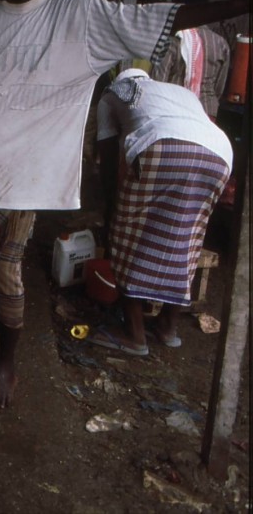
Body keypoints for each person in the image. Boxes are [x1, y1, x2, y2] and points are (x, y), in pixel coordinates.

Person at [0, 0, 249, 410]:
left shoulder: (78, 13)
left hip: (24, 176)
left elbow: (152, 18)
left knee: (4, 271)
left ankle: (7, 363)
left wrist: (234, 5)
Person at [91, 68, 231, 355]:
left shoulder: (112, 94)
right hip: (219, 155)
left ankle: (134, 334)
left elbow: (106, 158)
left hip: (162, 144)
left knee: (126, 231)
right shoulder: (179, 92)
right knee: (187, 236)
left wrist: (111, 211)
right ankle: (167, 327)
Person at [152, 0, 232, 120]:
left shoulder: (173, 39)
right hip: (207, 113)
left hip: (173, 111)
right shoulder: (220, 43)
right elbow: (219, 87)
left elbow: (157, 82)